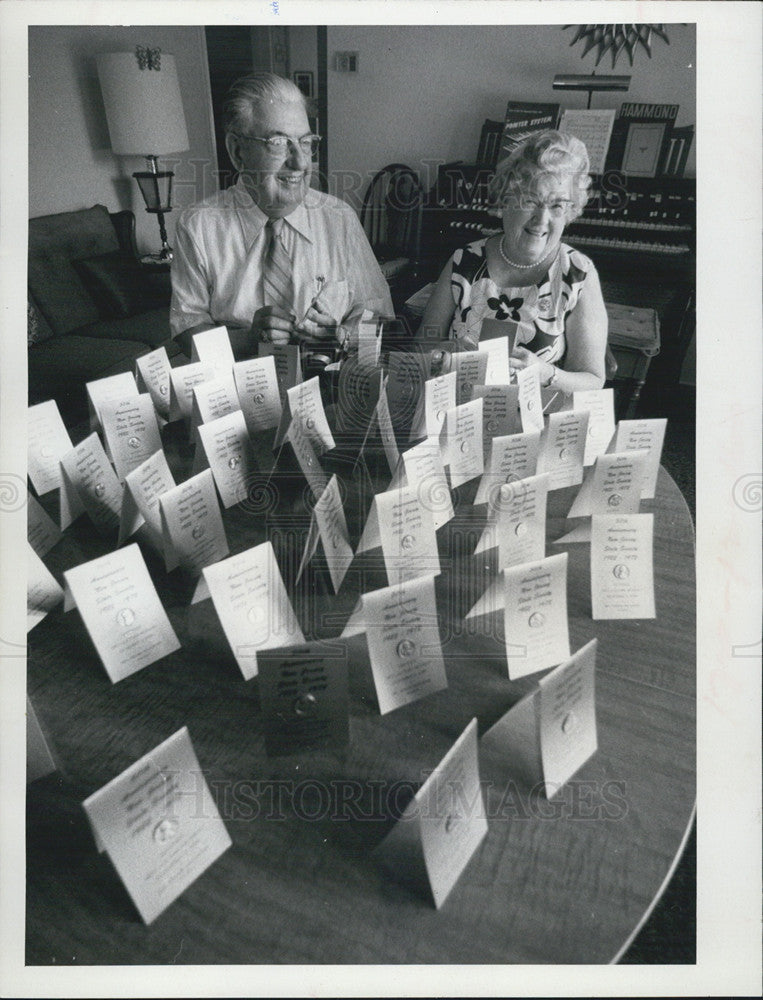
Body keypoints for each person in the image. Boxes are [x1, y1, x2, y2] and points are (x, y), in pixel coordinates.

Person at [170, 72, 393, 358]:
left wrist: (342, 337)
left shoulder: (339, 219)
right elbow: (186, 332)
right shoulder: (198, 226)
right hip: (238, 385)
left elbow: (380, 317)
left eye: (306, 142)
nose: (300, 162)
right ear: (238, 152)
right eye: (278, 143)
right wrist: (248, 340)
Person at [417, 130, 607, 393]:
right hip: (460, 411)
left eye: (557, 206)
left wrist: (545, 374)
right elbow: (422, 347)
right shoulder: (465, 261)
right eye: (530, 200)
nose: (542, 219)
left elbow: (593, 380)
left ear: (570, 211)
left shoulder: (578, 274)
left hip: (536, 420)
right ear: (505, 200)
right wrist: (445, 356)